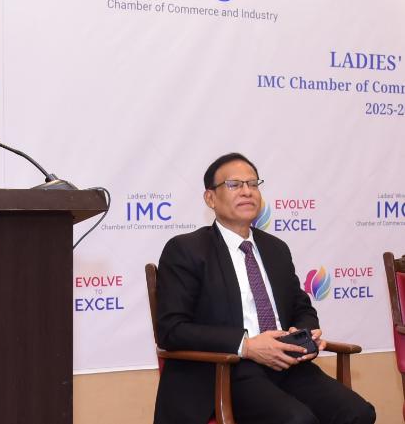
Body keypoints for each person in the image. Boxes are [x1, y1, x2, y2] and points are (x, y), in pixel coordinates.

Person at [154, 153, 374, 424]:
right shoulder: (186, 249)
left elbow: (301, 308)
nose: (247, 191)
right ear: (210, 198)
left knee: (358, 413)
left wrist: (304, 333)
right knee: (297, 420)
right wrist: (246, 346)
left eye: (253, 184)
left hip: (287, 364)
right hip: (227, 370)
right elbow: (171, 330)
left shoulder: (275, 248)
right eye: (234, 185)